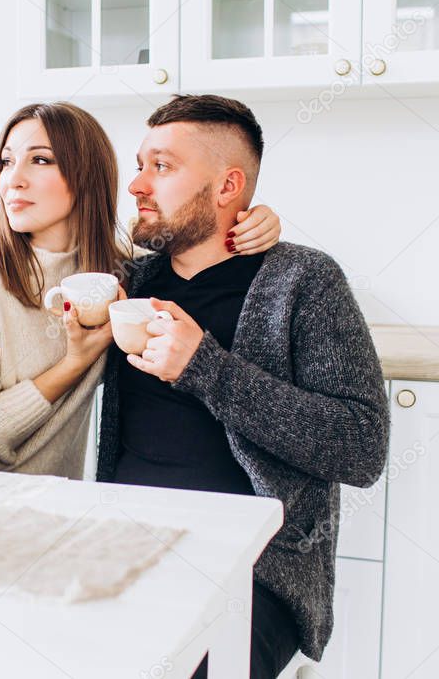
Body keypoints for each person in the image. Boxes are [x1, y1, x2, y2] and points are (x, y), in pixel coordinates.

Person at [95, 95, 390, 678]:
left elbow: (362, 447)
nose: (136, 185)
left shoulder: (304, 280)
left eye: (163, 166)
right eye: (139, 164)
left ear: (228, 185)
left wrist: (205, 367)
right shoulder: (129, 279)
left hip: (255, 570)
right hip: (123, 547)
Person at [0, 102, 282, 479]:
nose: (13, 178)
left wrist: (259, 219)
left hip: (46, 503)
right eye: (6, 161)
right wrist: (71, 365)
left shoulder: (120, 270)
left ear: (86, 174)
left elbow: (193, 233)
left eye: (39, 160)